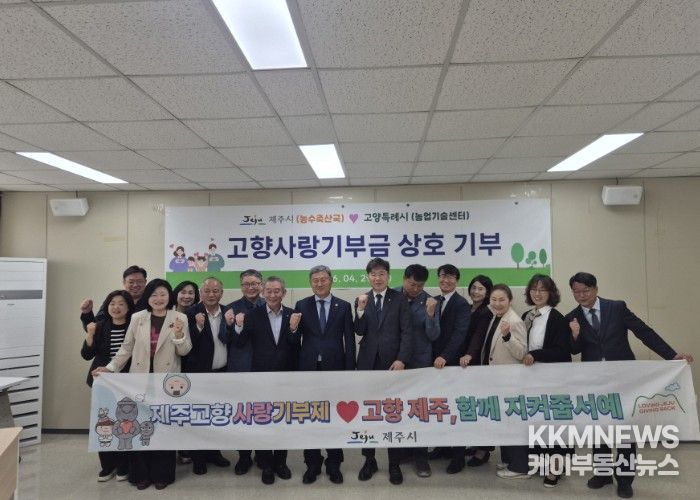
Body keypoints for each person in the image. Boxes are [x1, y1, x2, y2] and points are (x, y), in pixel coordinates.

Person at [566, 271, 693, 499]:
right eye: (576, 292)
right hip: (594, 382)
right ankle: (603, 473)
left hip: (624, 379)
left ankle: (625, 479)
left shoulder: (616, 307)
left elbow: (644, 332)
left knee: (625, 430)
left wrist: (671, 355)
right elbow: (574, 350)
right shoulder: (572, 317)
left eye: (585, 290)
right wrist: (574, 335)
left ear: (596, 289)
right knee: (599, 429)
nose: (581, 295)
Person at [93, 278, 192, 491]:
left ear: (169, 296)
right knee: (140, 429)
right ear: (148, 297)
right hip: (140, 380)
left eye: (163, 294)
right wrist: (109, 368)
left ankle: (162, 475)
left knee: (164, 428)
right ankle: (141, 475)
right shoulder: (138, 317)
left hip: (166, 382)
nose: (158, 298)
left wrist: (178, 335)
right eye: (154, 294)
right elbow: (126, 348)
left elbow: (185, 351)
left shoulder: (180, 317)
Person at [496, 275, 571, 483]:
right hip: (529, 379)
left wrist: (535, 355)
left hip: (552, 380)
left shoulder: (557, 318)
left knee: (553, 424)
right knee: (535, 423)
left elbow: (562, 351)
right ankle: (539, 462)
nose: (537, 294)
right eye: (534, 289)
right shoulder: (527, 315)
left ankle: (555, 469)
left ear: (551, 293)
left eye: (542, 290)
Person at [290, 265, 356, 485]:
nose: (319, 283)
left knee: (335, 418)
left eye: (323, 279)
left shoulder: (343, 306)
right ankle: (312, 463)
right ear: (311, 283)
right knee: (310, 417)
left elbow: (349, 340)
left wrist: (350, 371)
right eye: (315, 280)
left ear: (331, 281)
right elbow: (294, 340)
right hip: (308, 370)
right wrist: (292, 329)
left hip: (335, 370)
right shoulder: (301, 305)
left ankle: (334, 463)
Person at [232, 277, 297, 485]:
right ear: (263, 293)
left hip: (286, 376)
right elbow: (240, 342)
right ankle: (267, 465)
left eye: (277, 291)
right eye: (269, 290)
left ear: (283, 293)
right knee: (263, 420)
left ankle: (281, 463)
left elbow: (295, 344)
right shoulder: (253, 315)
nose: (273, 294)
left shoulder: (292, 314)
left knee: (283, 420)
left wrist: (293, 329)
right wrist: (238, 325)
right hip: (260, 376)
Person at [354, 258, 412, 485]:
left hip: (392, 365)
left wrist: (402, 359)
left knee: (393, 413)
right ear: (368, 276)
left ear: (388, 276)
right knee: (368, 413)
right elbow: (359, 330)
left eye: (381, 274)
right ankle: (369, 460)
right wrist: (360, 310)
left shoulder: (399, 299)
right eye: (373, 274)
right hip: (367, 364)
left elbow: (407, 332)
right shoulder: (362, 299)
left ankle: (394, 463)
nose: (377, 278)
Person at [81, 290, 135, 483]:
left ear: (128, 307)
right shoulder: (101, 325)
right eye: (112, 303)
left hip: (127, 383)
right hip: (102, 382)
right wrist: (90, 334)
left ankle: (124, 465)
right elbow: (87, 355)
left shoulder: (134, 325)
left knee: (126, 423)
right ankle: (107, 465)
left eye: (121, 303)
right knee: (105, 423)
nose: (116, 307)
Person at [219, 269, 265, 475]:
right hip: (241, 368)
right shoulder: (231, 308)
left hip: (265, 369)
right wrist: (229, 325)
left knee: (264, 413)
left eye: (254, 283)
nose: (251, 287)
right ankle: (244, 456)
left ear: (261, 285)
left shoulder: (270, 304)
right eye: (246, 284)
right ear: (241, 286)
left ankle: (263, 455)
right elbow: (223, 338)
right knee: (243, 415)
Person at [184, 277, 232, 475]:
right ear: (200, 293)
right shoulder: (190, 313)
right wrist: (198, 327)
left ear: (221, 293)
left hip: (222, 373)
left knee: (217, 416)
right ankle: (199, 458)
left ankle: (215, 453)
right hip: (199, 374)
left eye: (216, 291)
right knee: (199, 417)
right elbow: (186, 344)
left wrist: (233, 325)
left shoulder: (228, 311)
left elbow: (233, 340)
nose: (211, 294)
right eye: (207, 291)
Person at [480, 284, 527, 478]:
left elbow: (521, 353)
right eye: (494, 299)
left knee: (513, 423)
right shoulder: (496, 316)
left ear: (510, 300)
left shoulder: (514, 321)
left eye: (502, 300)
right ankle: (509, 460)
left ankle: (521, 467)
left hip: (510, 382)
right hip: (496, 379)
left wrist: (507, 336)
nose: (497, 303)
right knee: (505, 422)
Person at [398, 264, 439, 477]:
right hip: (397, 363)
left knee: (420, 410)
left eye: (420, 286)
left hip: (420, 363)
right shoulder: (392, 296)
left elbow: (433, 335)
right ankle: (403, 452)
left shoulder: (430, 301)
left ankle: (421, 458)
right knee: (398, 408)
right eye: (412, 284)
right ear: (404, 279)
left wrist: (430, 315)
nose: (416, 289)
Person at [429, 264, 470, 474]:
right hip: (434, 366)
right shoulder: (433, 301)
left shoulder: (462, 304)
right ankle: (443, 448)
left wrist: (445, 356)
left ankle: (458, 456)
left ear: (457, 280)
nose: (446, 280)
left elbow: (459, 334)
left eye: (451, 277)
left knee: (456, 410)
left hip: (452, 364)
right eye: (443, 276)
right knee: (440, 408)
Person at [458, 275, 494, 467]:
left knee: (483, 407)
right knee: (471, 406)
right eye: (473, 287)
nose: (476, 292)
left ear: (487, 292)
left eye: (481, 289)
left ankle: (483, 450)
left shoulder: (486, 311)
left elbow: (478, 336)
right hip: (465, 364)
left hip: (478, 363)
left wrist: (470, 354)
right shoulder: (469, 308)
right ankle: (475, 443)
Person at [171, 280, 199, 466]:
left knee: (188, 412)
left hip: (191, 367)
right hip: (170, 368)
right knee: (172, 411)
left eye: (191, 293)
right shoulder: (166, 313)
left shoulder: (198, 314)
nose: (187, 296)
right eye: (183, 292)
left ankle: (186, 449)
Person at [80, 265, 148, 329]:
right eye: (131, 282)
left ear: (145, 282)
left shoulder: (151, 301)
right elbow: (95, 328)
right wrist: (87, 313)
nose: (135, 285)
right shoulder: (114, 300)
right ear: (124, 283)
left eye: (139, 281)